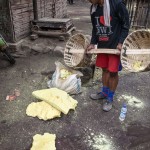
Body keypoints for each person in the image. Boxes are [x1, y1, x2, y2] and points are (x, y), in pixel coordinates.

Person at [87, 0, 130, 111]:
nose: (88, 0)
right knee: (104, 70)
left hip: (115, 47)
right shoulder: (94, 8)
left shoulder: (117, 5)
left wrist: (121, 42)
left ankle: (110, 98)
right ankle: (104, 93)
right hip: (102, 46)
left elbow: (126, 25)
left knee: (113, 72)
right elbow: (95, 28)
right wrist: (92, 43)